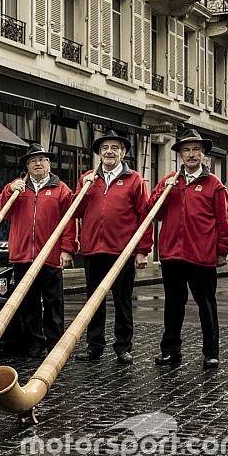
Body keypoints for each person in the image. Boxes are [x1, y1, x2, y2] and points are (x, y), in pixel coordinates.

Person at [151, 130, 228, 369]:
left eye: (196, 150)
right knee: (173, 305)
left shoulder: (214, 185)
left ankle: (210, 352)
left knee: (206, 305)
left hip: (201, 255)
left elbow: (225, 220)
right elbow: (154, 212)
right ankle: (170, 351)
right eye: (186, 150)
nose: (191, 154)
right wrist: (161, 191)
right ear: (180, 154)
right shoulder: (170, 181)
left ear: (203, 154)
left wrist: (223, 249)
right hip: (172, 255)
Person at [73, 130, 152, 365]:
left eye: (115, 148)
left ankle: (123, 346)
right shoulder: (87, 178)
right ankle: (94, 347)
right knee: (93, 302)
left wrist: (142, 250)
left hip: (123, 252)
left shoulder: (135, 180)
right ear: (99, 152)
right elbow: (74, 212)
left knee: (122, 301)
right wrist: (83, 191)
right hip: (94, 251)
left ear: (123, 152)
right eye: (105, 147)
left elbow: (144, 216)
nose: (109, 151)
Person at [0, 143, 77, 358]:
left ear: (48, 163)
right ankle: (34, 342)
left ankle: (55, 343)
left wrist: (67, 249)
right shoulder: (18, 188)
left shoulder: (62, 190)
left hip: (50, 256)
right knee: (28, 304)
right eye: (33, 161)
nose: (38, 164)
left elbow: (70, 223)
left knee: (54, 303)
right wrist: (8, 191)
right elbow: (0, 211)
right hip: (23, 256)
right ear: (27, 166)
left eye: (42, 160)